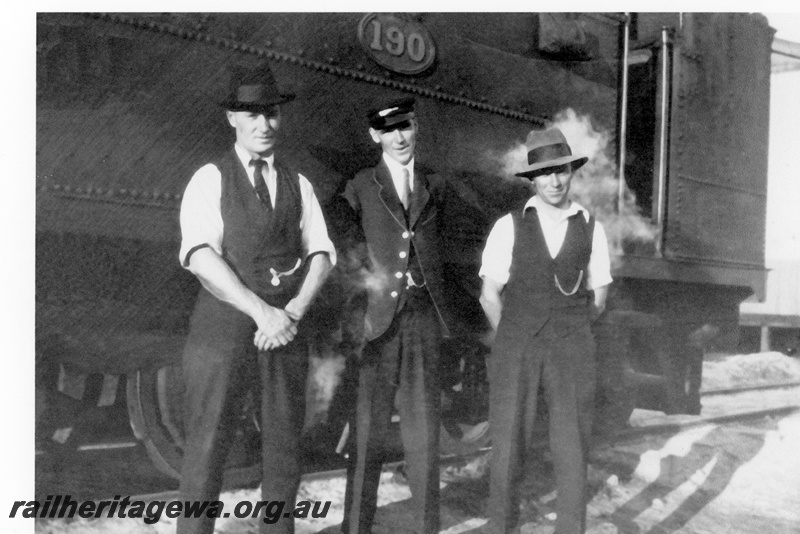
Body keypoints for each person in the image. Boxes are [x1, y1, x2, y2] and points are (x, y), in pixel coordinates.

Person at [177, 63, 335, 534]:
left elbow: (323, 254)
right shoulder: (209, 178)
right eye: (252, 115)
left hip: (284, 329)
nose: (264, 125)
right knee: (206, 447)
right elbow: (200, 255)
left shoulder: (298, 183)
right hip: (222, 330)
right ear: (231, 118)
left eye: (271, 114)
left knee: (284, 449)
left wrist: (291, 313)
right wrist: (261, 311)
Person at [479, 126, 612, 534]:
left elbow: (600, 294)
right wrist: (516, 335)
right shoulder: (508, 225)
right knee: (507, 446)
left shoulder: (592, 226)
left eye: (562, 171)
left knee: (572, 446)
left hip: (572, 346)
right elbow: (489, 294)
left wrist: (567, 331)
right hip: (517, 344)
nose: (554, 181)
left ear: (572, 173)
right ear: (532, 179)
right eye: (545, 173)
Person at [341, 96, 450, 534]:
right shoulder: (360, 185)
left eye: (405, 127)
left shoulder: (433, 184)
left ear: (416, 127)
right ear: (375, 136)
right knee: (367, 435)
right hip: (378, 324)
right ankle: (355, 529)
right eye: (389, 131)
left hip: (423, 321)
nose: (400, 137)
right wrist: (364, 293)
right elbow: (344, 247)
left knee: (423, 435)